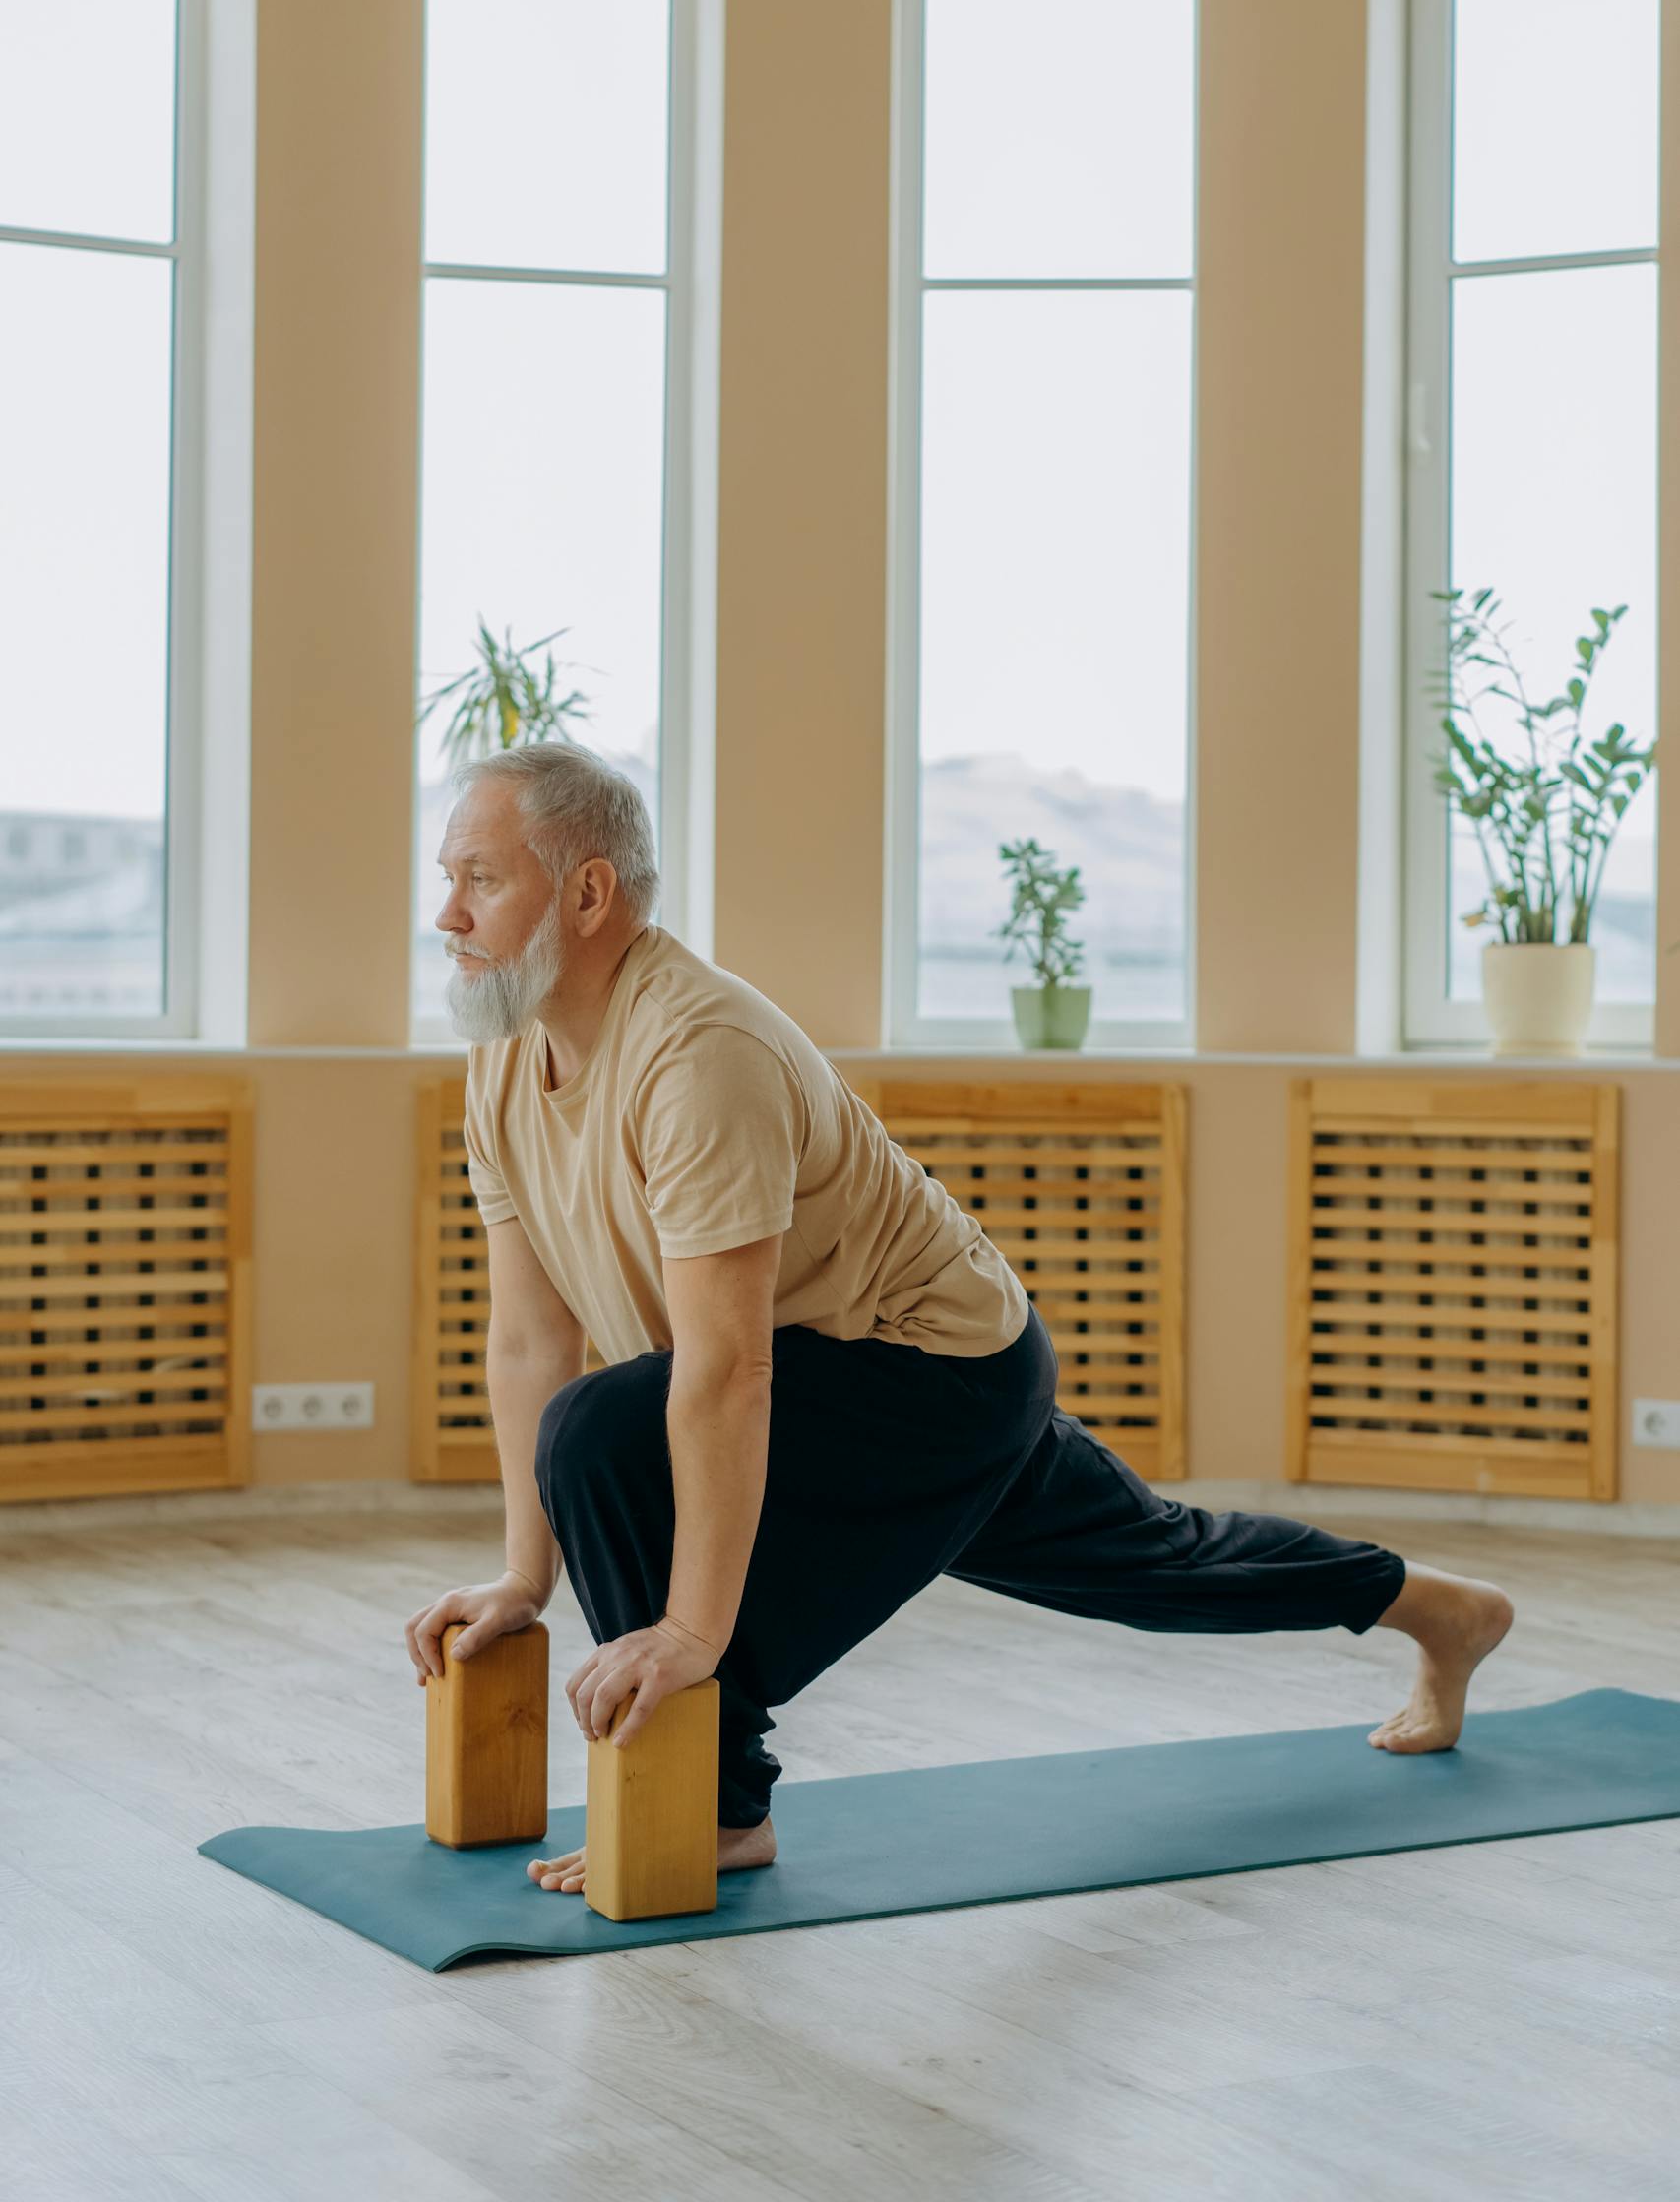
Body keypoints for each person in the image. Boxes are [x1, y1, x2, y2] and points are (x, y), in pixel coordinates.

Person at [404, 742, 1516, 1897]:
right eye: (448, 876)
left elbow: (726, 1374)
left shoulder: (699, 1055)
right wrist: (523, 1580)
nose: (448, 911)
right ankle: (1444, 1611)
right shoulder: (504, 1064)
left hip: (939, 1367)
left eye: (480, 878)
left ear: (589, 892)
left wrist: (690, 1637)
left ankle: (716, 1804)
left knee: (604, 1435)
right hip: (854, 1364)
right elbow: (534, 1336)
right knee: (1158, 1558)